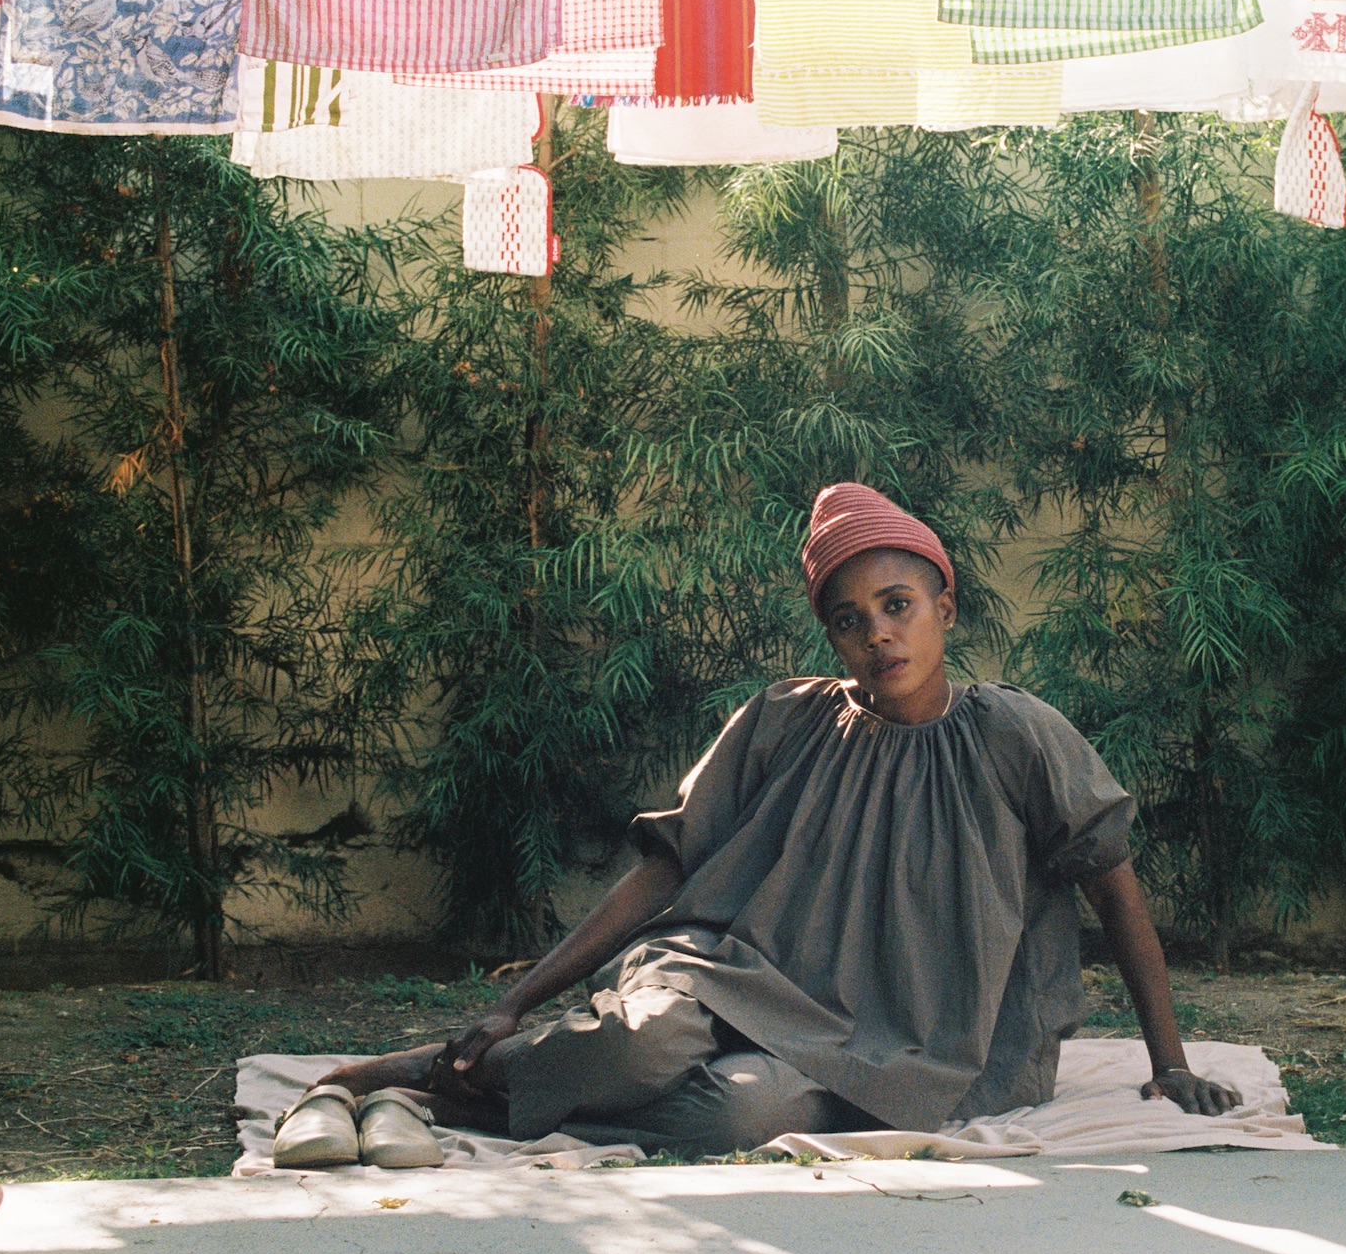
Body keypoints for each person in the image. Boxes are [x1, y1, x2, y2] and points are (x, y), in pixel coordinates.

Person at [277, 482, 1239, 1165]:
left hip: (908, 1032)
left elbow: (1113, 882)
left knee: (737, 1121)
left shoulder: (1017, 735)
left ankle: (438, 1102)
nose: (878, 636)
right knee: (640, 1043)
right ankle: (364, 1081)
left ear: (946, 605)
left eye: (898, 606)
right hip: (742, 973)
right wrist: (515, 1002)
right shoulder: (786, 719)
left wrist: (1171, 1065)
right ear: (832, 636)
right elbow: (663, 870)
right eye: (850, 619)